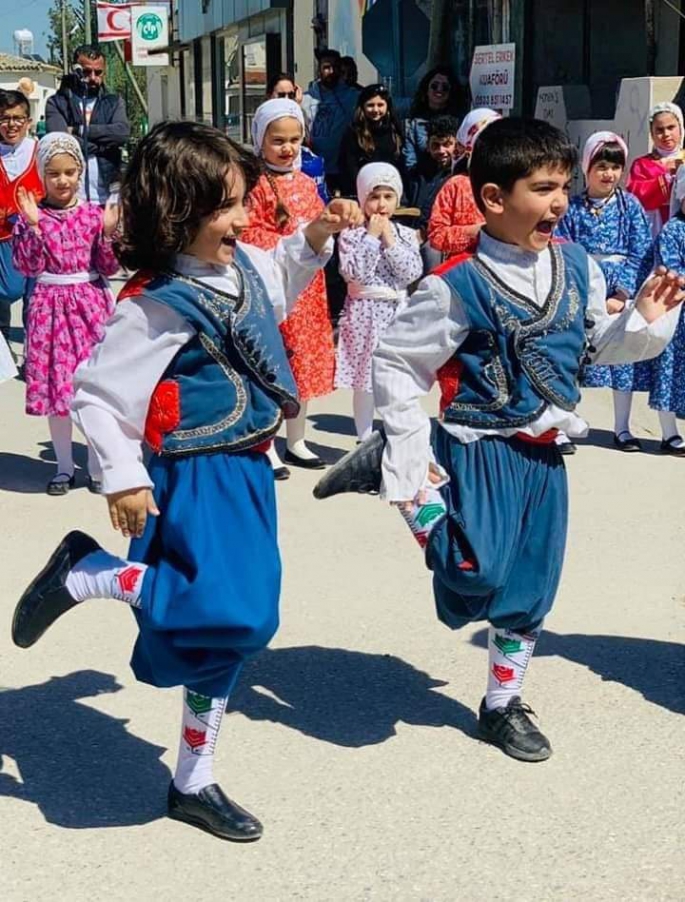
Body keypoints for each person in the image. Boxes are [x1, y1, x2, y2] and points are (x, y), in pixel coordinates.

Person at [11, 121, 361, 841]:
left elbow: (283, 275)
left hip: (247, 471)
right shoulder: (156, 302)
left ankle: (192, 781)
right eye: (228, 205)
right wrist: (122, 477)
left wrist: (318, 234)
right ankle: (91, 574)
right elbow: (100, 396)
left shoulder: (242, 268)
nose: (243, 217)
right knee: (234, 613)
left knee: (225, 637)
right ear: (179, 210)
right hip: (194, 476)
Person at [313, 118, 684, 763]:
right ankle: (404, 495)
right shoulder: (453, 284)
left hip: (545, 455)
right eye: (542, 189)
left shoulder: (577, 266)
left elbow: (592, 345)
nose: (560, 202)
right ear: (492, 198)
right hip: (479, 445)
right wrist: (405, 450)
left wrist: (642, 323)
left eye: (563, 187)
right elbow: (398, 363)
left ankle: (501, 704)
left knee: (531, 588)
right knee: (472, 572)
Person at [12, 132, 119, 495]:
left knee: (90, 390)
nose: (63, 180)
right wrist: (32, 226)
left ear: (79, 173)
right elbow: (28, 265)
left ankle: (96, 465)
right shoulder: (33, 216)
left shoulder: (92, 215)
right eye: (54, 173)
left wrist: (107, 234)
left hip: (90, 308)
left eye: (70, 172)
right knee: (59, 393)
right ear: (42, 175)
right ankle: (62, 467)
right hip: (49, 309)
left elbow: (108, 265)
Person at [241, 99, 335, 477]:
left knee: (304, 362)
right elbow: (248, 231)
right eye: (278, 139)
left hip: (309, 286)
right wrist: (294, 240)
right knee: (274, 361)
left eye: (295, 139)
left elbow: (319, 221)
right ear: (259, 139)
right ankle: (266, 442)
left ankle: (296, 439)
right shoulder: (254, 184)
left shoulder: (307, 181)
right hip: (274, 283)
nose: (288, 148)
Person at [556, 132, 653, 453]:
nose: (608, 174)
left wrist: (623, 293)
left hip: (620, 289)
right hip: (582, 286)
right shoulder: (572, 207)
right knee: (569, 356)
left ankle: (622, 428)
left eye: (615, 167)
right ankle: (560, 424)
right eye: (601, 166)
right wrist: (586, 292)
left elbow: (641, 251)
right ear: (586, 167)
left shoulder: (630, 205)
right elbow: (564, 249)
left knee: (622, 358)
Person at [336, 163, 423, 441]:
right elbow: (353, 272)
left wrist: (390, 241)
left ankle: (398, 431)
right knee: (365, 378)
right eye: (374, 197)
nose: (381, 204)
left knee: (396, 376)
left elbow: (411, 272)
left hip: (397, 312)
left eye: (388, 196)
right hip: (364, 313)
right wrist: (372, 238)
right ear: (363, 200)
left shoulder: (405, 234)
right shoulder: (352, 235)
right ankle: (364, 435)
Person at [46, 44, 130, 205]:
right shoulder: (57, 103)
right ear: (75, 70)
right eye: (86, 72)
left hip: (108, 196)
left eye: (98, 72)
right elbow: (61, 142)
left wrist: (79, 130)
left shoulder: (113, 102)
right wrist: (104, 145)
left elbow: (121, 133)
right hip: (71, 199)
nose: (92, 78)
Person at [645, 166, 685, 454]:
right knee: (670, 372)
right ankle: (668, 433)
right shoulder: (673, 230)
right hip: (678, 314)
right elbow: (673, 270)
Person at [0, 89, 42, 357]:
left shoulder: (41, 152)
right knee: (6, 291)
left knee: (35, 301)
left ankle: (34, 355)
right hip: (3, 240)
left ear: (28, 121)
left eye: (18, 118)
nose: (11, 124)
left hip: (38, 239)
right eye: (4, 118)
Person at [427, 108, 500, 260]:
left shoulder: (515, 182)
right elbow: (436, 235)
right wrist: (477, 232)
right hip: (464, 271)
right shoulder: (457, 185)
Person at [301, 48, 360, 194]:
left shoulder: (353, 96)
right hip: (314, 168)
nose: (331, 71)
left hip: (342, 169)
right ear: (319, 70)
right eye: (326, 67)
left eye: (334, 67)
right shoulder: (306, 99)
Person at [405, 114, 459, 271]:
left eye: (447, 144)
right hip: (410, 234)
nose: (441, 151)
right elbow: (404, 204)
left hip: (440, 238)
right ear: (428, 146)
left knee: (431, 251)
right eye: (436, 145)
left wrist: (426, 232)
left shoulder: (460, 177)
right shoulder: (416, 173)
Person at [266, 72, 328, 203]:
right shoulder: (263, 120)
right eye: (281, 95)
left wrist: (297, 107)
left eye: (291, 95)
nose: (287, 99)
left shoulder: (306, 183)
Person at [627, 101, 684, 237]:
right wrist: (667, 176)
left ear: (681, 129)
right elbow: (636, 196)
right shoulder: (642, 164)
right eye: (659, 130)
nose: (666, 134)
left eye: (671, 127)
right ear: (652, 134)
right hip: (655, 228)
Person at [338, 84, 405, 199]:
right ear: (363, 106)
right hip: (362, 192)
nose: (375, 110)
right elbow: (349, 166)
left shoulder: (394, 130)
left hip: (390, 191)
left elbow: (400, 164)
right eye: (370, 105)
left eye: (380, 105)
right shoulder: (354, 132)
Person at [403, 66, 464, 172]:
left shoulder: (460, 122)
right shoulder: (415, 124)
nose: (439, 90)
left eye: (445, 87)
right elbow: (410, 161)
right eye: (434, 86)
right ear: (426, 90)